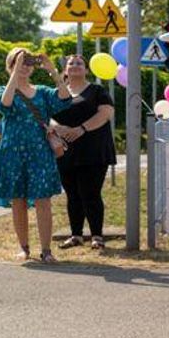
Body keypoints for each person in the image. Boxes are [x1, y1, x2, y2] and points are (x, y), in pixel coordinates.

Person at [0, 47, 71, 263]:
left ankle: (46, 250)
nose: (25, 66)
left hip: (39, 152)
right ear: (10, 65)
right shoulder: (4, 90)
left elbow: (64, 98)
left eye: (28, 62)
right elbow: (4, 105)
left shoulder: (42, 91)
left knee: (43, 200)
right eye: (19, 62)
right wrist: (15, 73)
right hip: (12, 153)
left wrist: (53, 71)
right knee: (18, 201)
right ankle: (24, 248)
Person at [51, 54, 117, 251]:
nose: (75, 65)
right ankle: (76, 235)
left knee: (91, 193)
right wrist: (58, 128)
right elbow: (48, 117)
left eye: (80, 63)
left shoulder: (97, 91)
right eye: (71, 63)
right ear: (65, 71)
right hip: (66, 151)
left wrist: (81, 129)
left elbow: (106, 114)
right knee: (73, 195)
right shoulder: (57, 94)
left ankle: (97, 236)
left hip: (94, 151)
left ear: (86, 70)